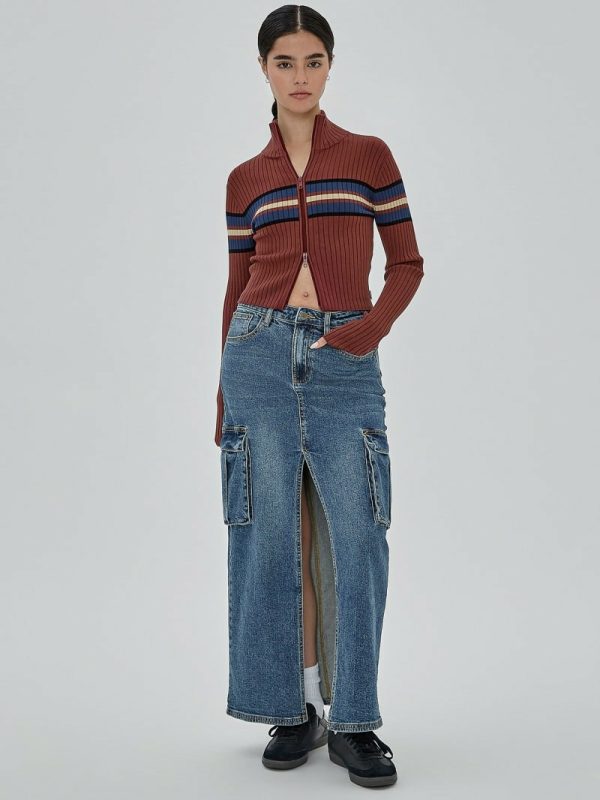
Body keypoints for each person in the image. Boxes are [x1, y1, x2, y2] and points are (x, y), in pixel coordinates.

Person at [216, 5, 424, 789]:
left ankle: (355, 719)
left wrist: (367, 330)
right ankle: (294, 708)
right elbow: (235, 285)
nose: (300, 77)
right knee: (274, 538)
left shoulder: (369, 157)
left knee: (356, 536)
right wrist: (222, 391)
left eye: (313, 61)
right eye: (285, 62)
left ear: (330, 66)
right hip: (257, 358)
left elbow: (406, 264)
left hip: (344, 363)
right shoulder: (246, 179)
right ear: (263, 69)